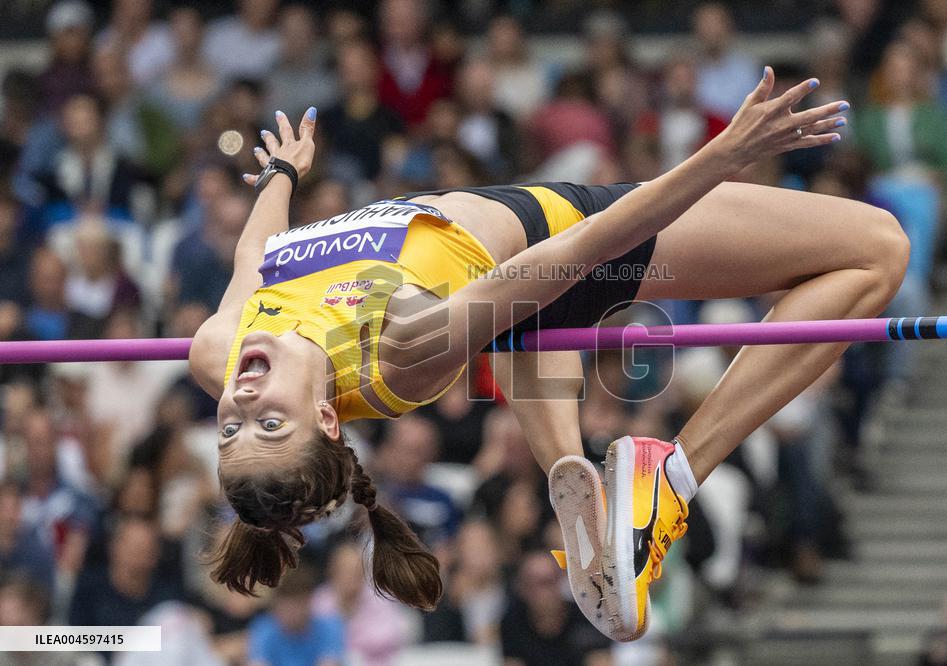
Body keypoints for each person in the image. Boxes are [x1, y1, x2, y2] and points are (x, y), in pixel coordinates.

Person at [189, 66, 908, 643]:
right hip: (562, 239)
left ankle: (574, 476)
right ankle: (674, 473)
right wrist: (723, 156)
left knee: (514, 328)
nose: (244, 407)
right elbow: (584, 248)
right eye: (271, 428)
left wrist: (281, 174)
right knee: (878, 249)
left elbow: (255, 257)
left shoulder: (222, 351)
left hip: (507, 305)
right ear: (324, 416)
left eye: (230, 430)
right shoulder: (399, 346)